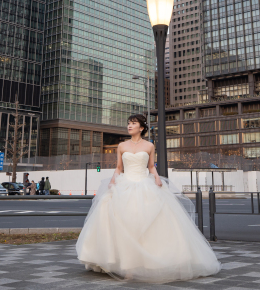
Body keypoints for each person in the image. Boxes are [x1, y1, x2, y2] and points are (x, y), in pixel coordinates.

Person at [76, 113, 220, 283]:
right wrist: (114, 179)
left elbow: (151, 166)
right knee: (124, 222)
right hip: (125, 183)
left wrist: (157, 178)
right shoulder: (122, 145)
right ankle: (126, 264)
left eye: (133, 123)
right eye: (128, 123)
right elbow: (119, 167)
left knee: (151, 222)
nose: (129, 126)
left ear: (142, 128)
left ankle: (150, 261)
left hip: (145, 183)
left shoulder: (149, 145)